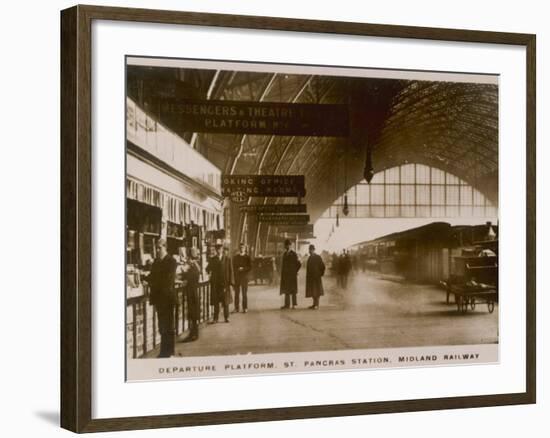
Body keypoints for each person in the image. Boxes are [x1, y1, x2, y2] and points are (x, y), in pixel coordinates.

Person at [146, 239, 177, 358]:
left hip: (167, 298)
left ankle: (170, 352)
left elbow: (167, 280)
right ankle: (164, 352)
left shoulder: (171, 261)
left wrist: (153, 281)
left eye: (160, 248)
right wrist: (144, 278)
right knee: (162, 326)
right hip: (159, 299)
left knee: (169, 326)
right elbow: (152, 276)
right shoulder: (156, 262)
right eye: (157, 248)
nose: (158, 250)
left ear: (165, 247)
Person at [206, 244, 234, 323]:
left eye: (220, 249)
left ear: (222, 250)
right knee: (216, 302)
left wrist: (231, 282)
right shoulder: (213, 259)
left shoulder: (227, 259)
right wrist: (210, 274)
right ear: (216, 250)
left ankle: (226, 317)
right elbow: (207, 269)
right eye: (217, 249)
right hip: (216, 284)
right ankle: (215, 318)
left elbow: (231, 270)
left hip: (225, 283)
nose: (218, 251)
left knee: (225, 302)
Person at [180, 248, 201, 343]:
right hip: (192, 291)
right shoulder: (195, 265)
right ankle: (193, 333)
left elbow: (192, 276)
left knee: (193, 312)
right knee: (193, 312)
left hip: (192, 291)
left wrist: (185, 277)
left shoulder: (194, 266)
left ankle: (194, 334)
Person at [280, 239, 301, 309]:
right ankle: (287, 305)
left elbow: (299, 264)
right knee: (286, 290)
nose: (287, 246)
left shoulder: (294, 254)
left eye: (288, 245)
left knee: (293, 290)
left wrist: (295, 271)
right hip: (286, 276)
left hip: (292, 275)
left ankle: (294, 304)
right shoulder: (285, 254)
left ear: (290, 245)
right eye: (286, 245)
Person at [232, 243, 251, 313]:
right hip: (237, 277)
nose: (241, 249)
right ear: (239, 249)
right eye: (240, 248)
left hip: (244, 277)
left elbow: (250, 267)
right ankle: (236, 308)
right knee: (236, 293)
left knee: (244, 293)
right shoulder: (235, 257)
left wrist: (243, 269)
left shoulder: (247, 257)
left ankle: (245, 307)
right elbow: (233, 267)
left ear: (245, 249)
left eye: (243, 248)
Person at [306, 244, 325, 309]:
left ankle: (317, 305)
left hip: (316, 277)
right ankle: (314, 304)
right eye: (309, 250)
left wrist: (320, 274)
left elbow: (323, 266)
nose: (310, 251)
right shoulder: (309, 258)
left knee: (317, 291)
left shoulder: (318, 257)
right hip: (311, 277)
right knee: (312, 291)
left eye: (311, 250)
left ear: (314, 250)